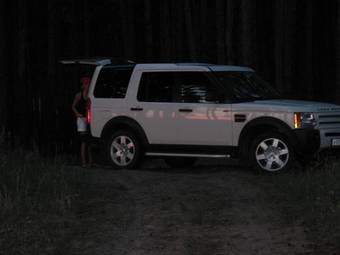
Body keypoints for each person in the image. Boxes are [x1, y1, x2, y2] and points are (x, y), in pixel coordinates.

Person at [72, 76, 92, 167]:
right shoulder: (79, 95)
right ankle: (84, 162)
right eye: (86, 84)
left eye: (88, 84)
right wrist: (77, 114)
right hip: (81, 119)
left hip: (89, 119)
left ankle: (90, 162)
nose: (87, 85)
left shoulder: (90, 94)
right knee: (84, 141)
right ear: (83, 85)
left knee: (89, 141)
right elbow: (73, 106)